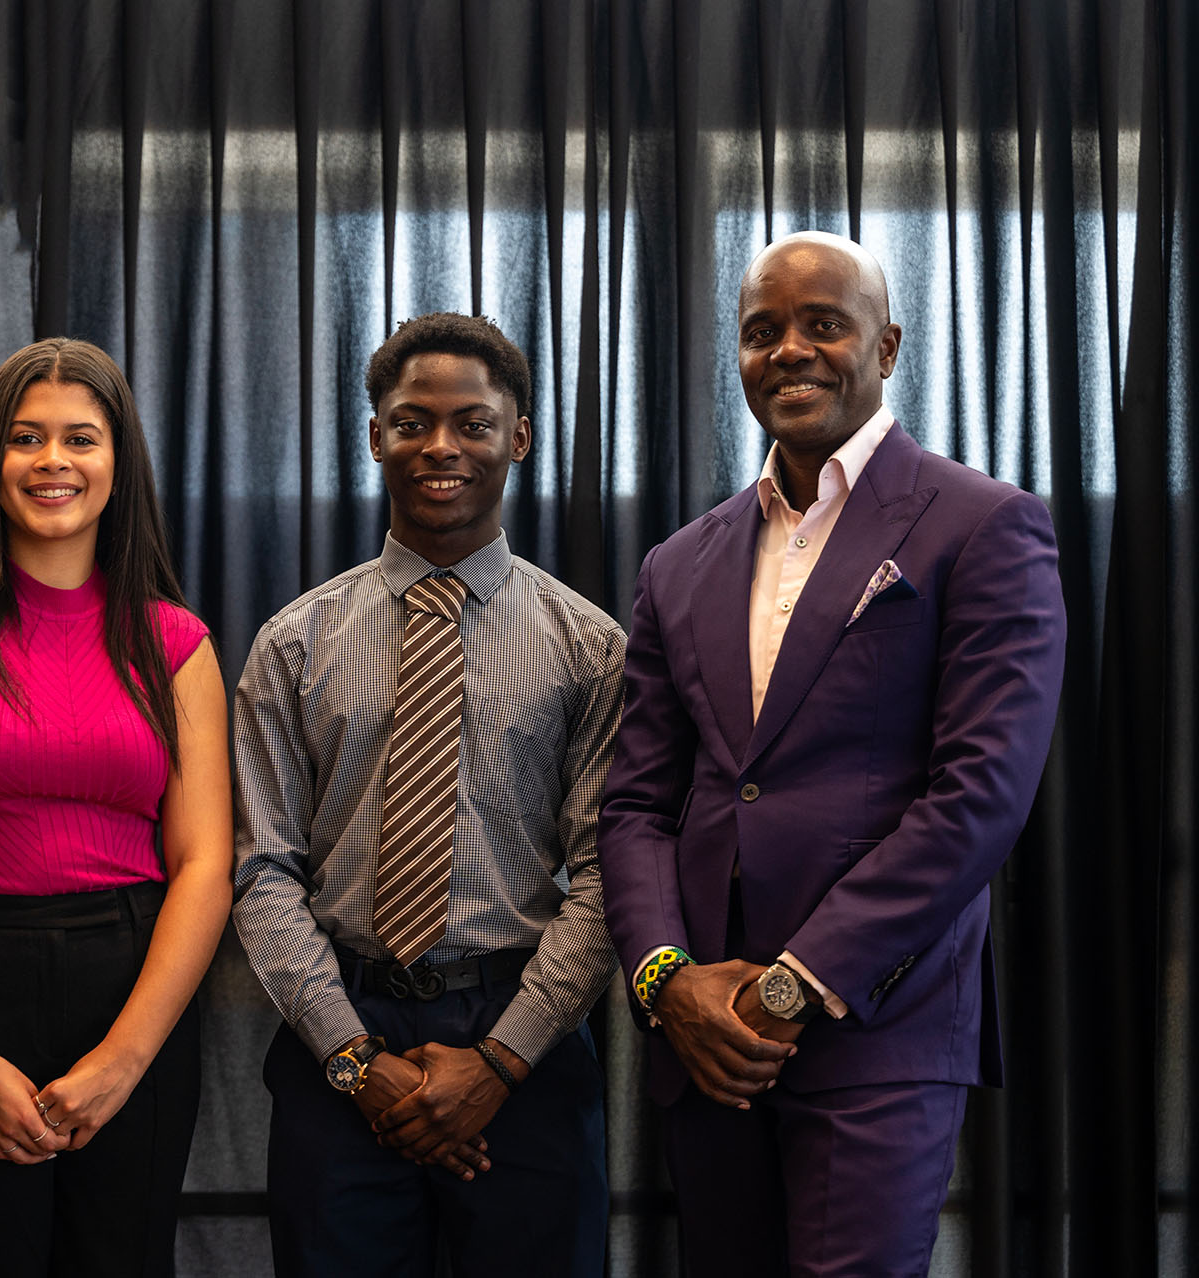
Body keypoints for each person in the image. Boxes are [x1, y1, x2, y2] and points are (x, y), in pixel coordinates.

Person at [598, 230, 1069, 1275]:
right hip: (704, 1043)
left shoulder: (983, 524)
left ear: (888, 345)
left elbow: (980, 796)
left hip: (877, 1028)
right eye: (763, 332)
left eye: (824, 324)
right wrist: (669, 981)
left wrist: (791, 986)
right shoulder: (679, 562)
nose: (791, 351)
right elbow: (635, 807)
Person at [230, 313, 622, 1276]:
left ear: (518, 438)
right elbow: (261, 868)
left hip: (525, 1045)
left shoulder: (591, 648)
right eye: (411, 422)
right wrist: (355, 1061)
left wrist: (499, 1064)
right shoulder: (293, 645)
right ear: (375, 439)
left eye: (472, 423)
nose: (440, 446)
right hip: (340, 1046)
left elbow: (610, 873)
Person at [0, 337, 230, 1277]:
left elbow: (206, 866)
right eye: (26, 439)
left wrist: (124, 1062)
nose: (53, 462)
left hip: (134, 991)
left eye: (81, 439)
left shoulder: (175, 644)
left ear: (119, 464)